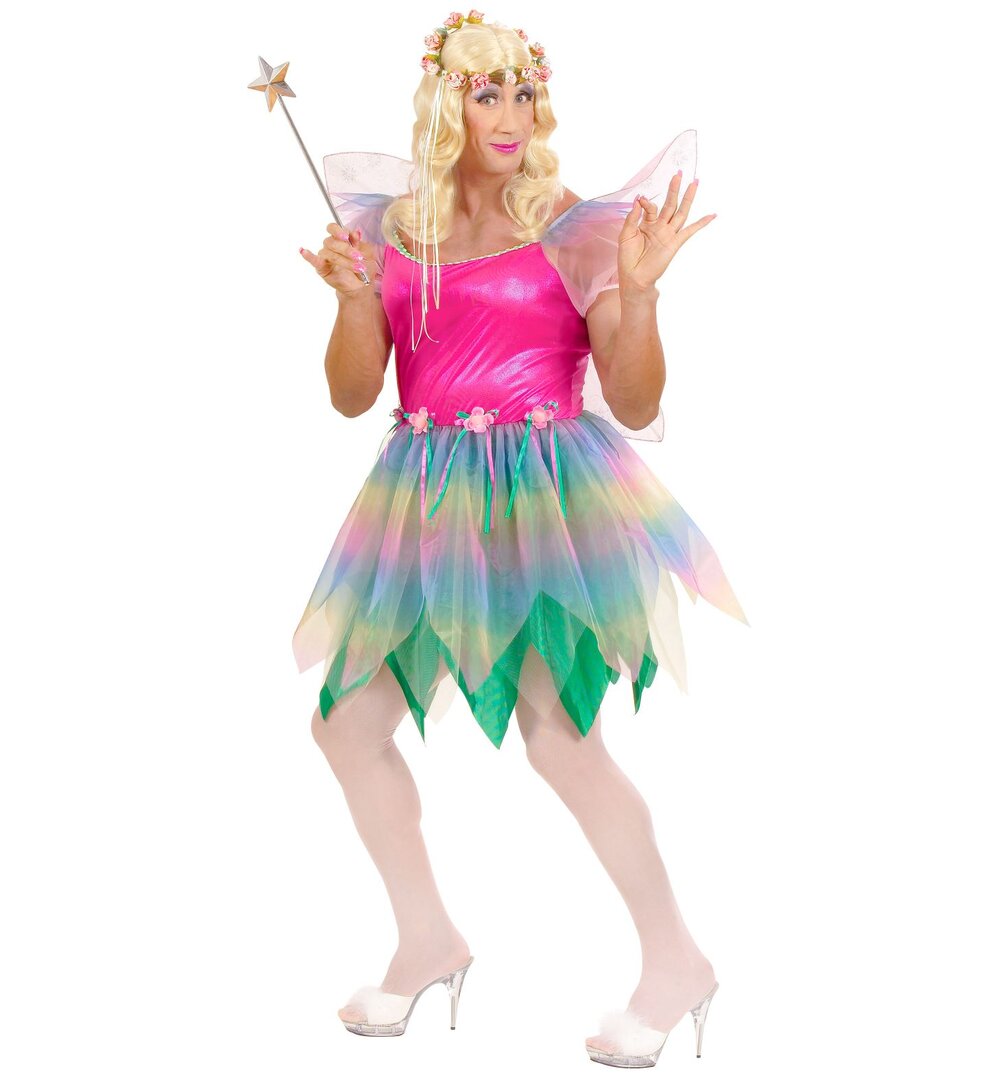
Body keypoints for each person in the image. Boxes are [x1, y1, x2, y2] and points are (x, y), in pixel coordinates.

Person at [293, 12, 748, 1070]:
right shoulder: (395, 231)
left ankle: (677, 962)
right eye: (485, 93)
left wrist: (639, 293)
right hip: (423, 507)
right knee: (345, 726)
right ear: (443, 106)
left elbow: (635, 402)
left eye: (523, 92)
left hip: (544, 505)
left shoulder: (573, 230)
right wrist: (356, 301)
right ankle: (426, 940)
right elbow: (352, 394)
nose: (509, 115)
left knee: (560, 737)